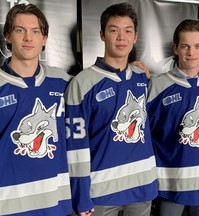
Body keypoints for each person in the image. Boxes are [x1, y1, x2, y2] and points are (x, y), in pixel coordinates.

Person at [65, 2, 158, 216]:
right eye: (113, 30)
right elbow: (75, 148)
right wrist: (80, 196)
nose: (121, 37)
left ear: (135, 37)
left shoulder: (142, 77)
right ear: (102, 35)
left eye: (128, 31)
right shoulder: (83, 83)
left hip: (141, 190)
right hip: (101, 195)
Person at [147, 19, 199, 216]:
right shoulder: (158, 86)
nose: (191, 52)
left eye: (197, 46)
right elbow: (145, 137)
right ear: (175, 48)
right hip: (171, 184)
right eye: (185, 46)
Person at [0, 3, 72, 216]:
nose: (28, 38)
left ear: (45, 39)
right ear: (7, 37)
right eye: (20, 30)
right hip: (9, 207)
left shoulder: (64, 81)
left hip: (57, 204)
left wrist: (134, 68)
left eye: (35, 31)